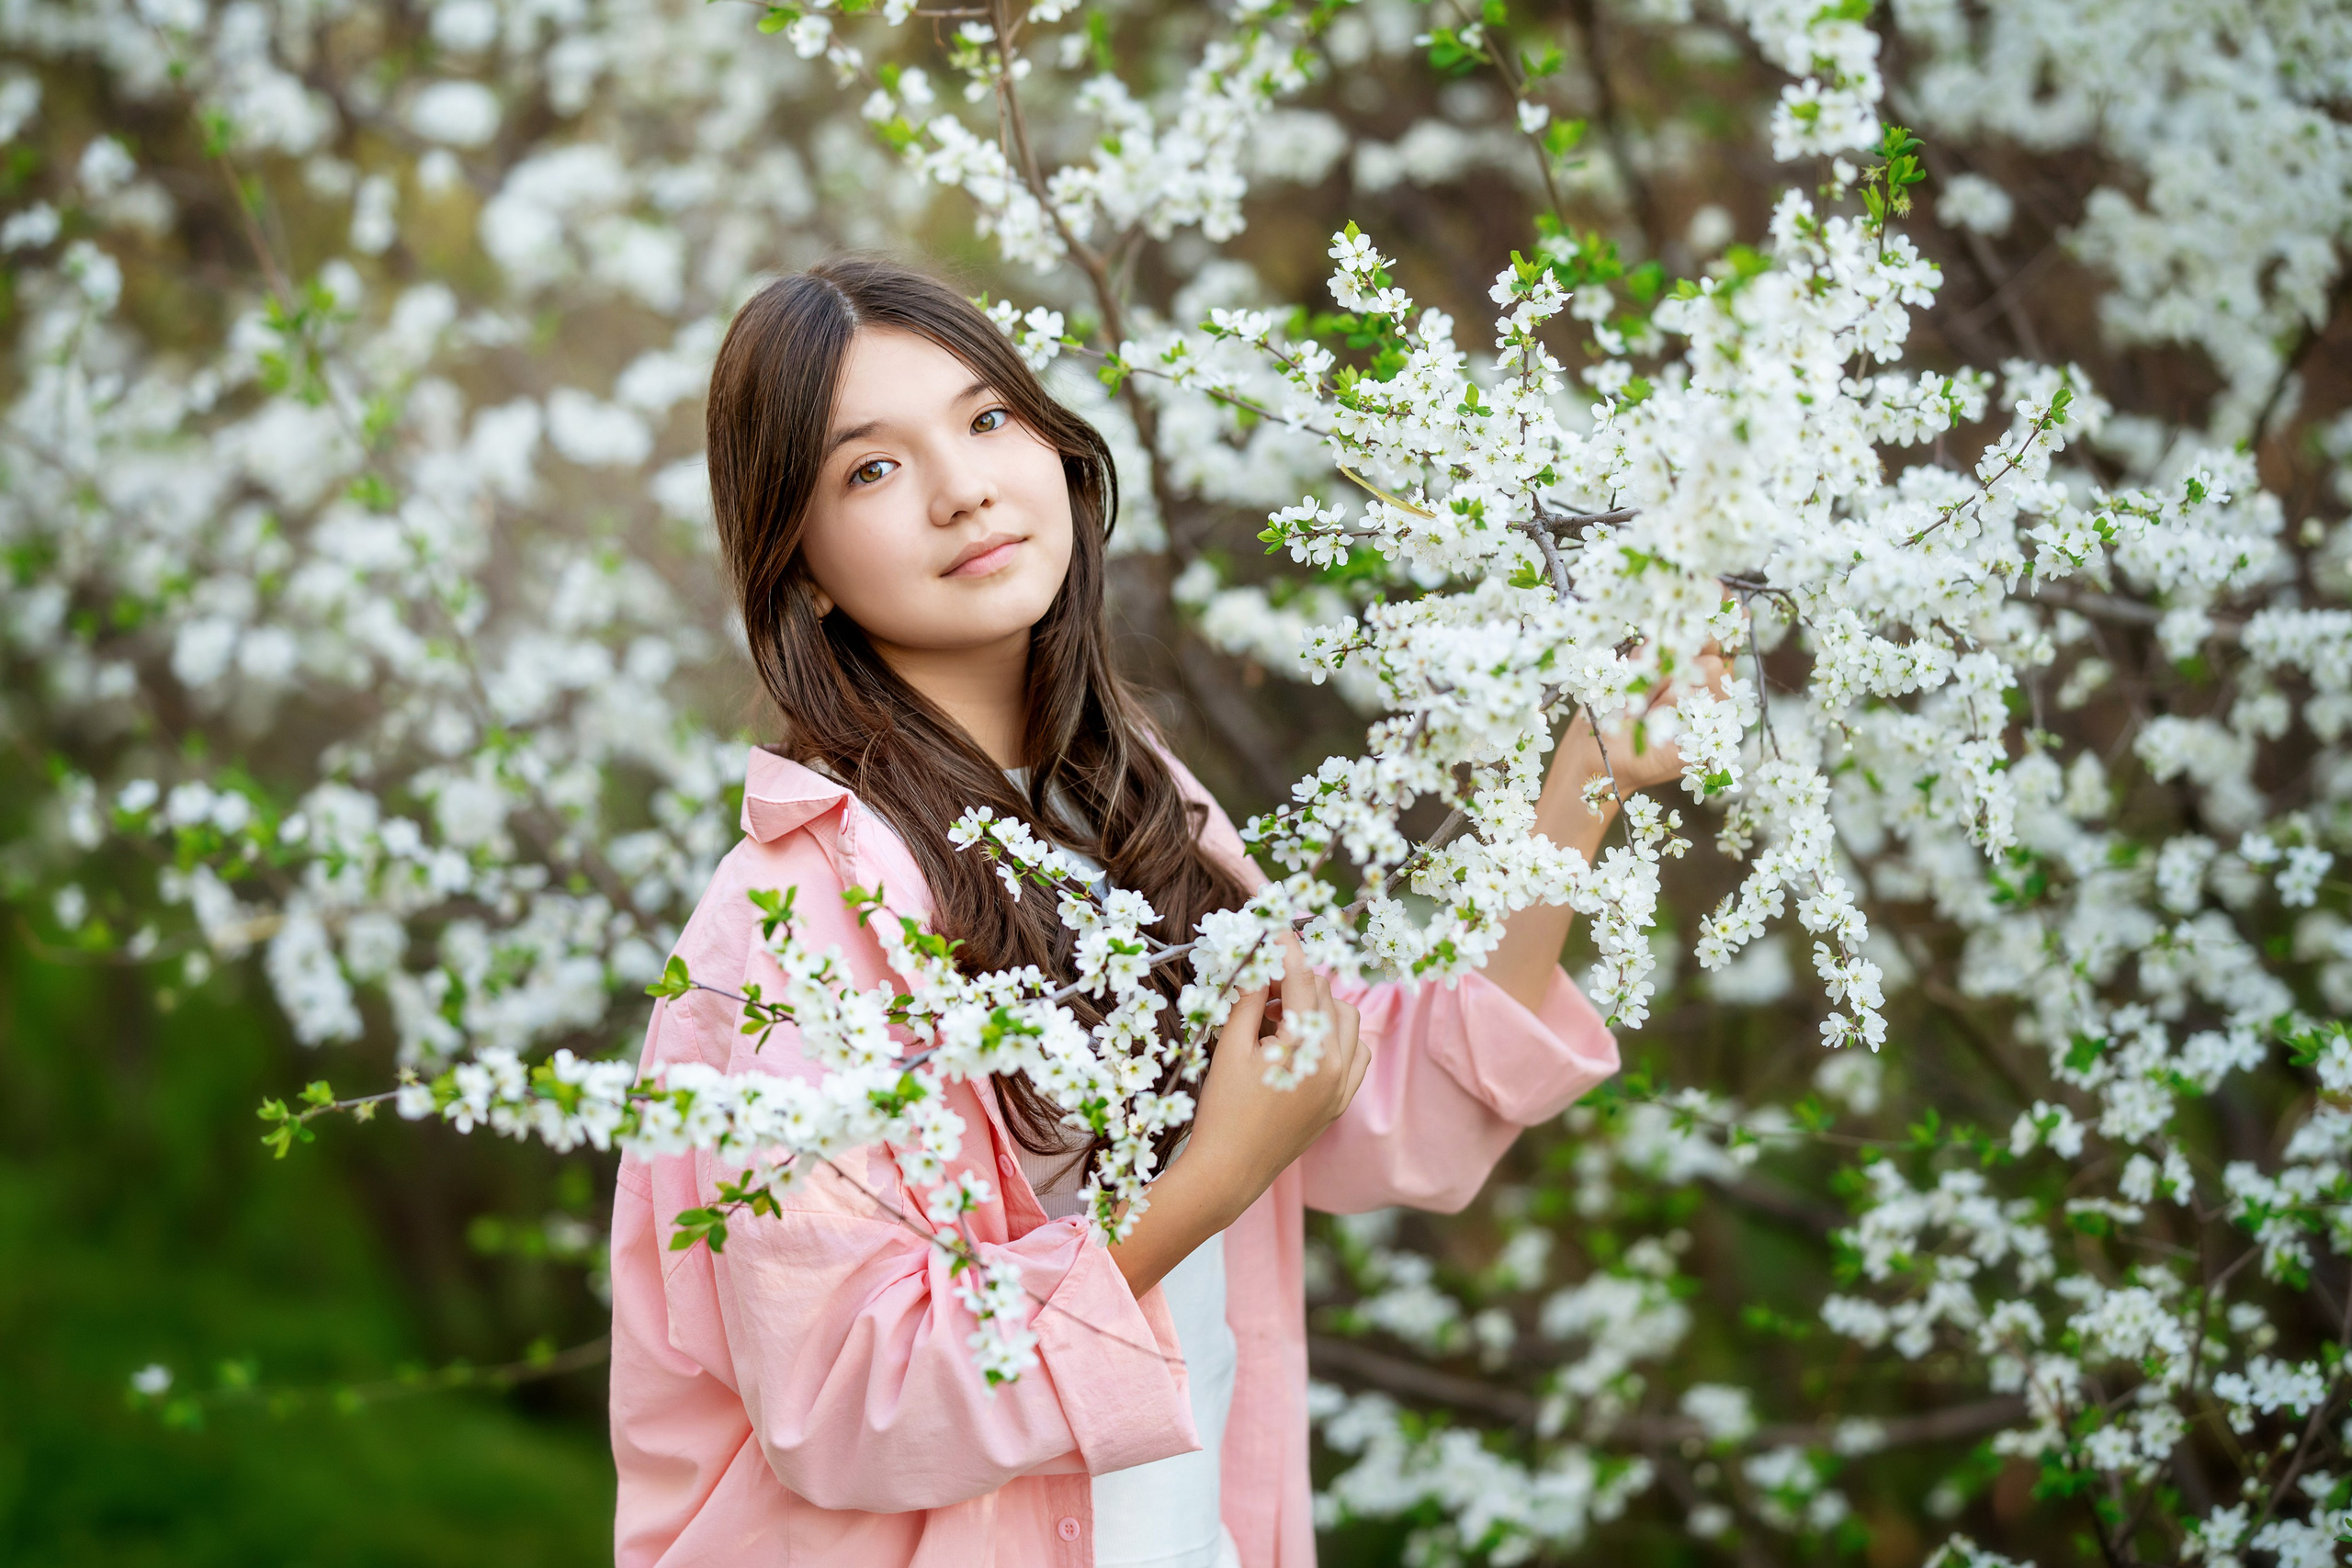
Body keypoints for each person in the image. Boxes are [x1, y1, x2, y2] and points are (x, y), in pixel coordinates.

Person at [608, 255, 1696, 1566]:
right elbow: (848, 1402)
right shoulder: (793, 916)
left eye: (987, 418)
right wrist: (1211, 1181)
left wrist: (1587, 779)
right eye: (873, 470)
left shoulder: (1130, 805)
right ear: (808, 569)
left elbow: (1351, 1088)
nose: (963, 488)